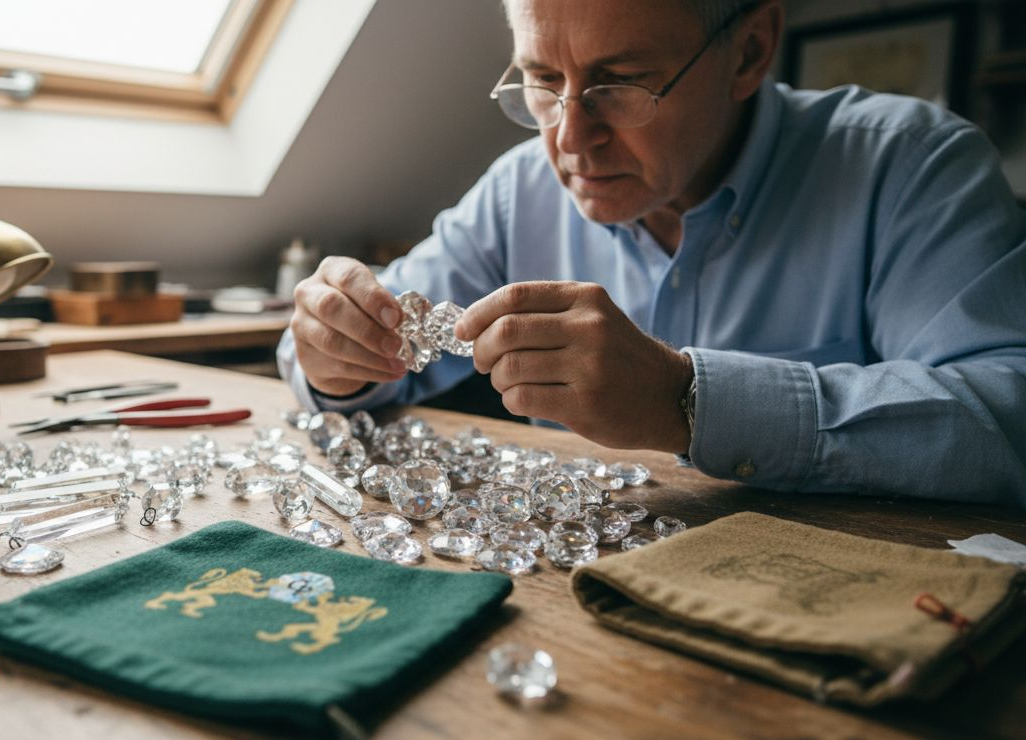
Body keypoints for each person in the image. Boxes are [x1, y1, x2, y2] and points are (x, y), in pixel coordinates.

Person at [277, 0, 1026, 507]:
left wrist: (686, 399)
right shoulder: (517, 193)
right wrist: (333, 352)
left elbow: (1009, 420)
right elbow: (350, 356)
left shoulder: (911, 166)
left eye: (621, 83)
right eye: (542, 80)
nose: (569, 139)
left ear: (750, 51)